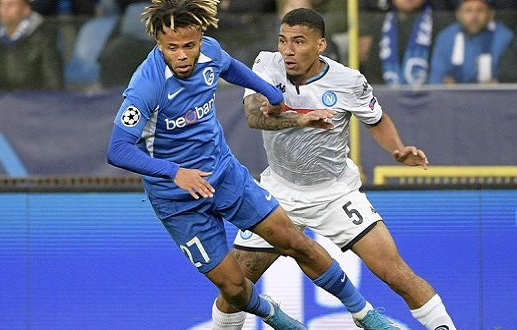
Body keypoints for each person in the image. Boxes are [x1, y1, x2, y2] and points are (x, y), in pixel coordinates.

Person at [106, 1, 395, 329]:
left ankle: (364, 314)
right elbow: (118, 150)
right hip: (178, 201)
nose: (183, 55)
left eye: (190, 45)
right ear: (158, 43)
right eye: (172, 48)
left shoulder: (210, 52)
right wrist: (175, 172)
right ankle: (276, 317)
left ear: (201, 37)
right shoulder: (147, 85)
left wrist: (271, 94)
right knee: (233, 287)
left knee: (295, 241)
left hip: (225, 175)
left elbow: (231, 68)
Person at [212, 8, 456, 330]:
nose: (288, 50)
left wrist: (397, 150)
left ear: (321, 45)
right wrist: (301, 117)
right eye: (283, 40)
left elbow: (377, 120)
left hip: (334, 193)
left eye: (299, 42)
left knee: (394, 273)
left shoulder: (348, 81)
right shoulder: (267, 65)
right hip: (280, 193)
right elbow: (254, 117)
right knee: (236, 284)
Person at [0, 0, 63, 90]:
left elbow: (54, 85)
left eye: (11, 5)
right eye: (0, 5)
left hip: (35, 101)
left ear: (26, 10)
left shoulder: (43, 42)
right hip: (1, 102)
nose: (4, 9)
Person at [429, 0, 513, 84]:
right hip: (454, 96)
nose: (474, 17)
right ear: (458, 14)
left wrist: (499, 83)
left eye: (480, 11)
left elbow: (511, 78)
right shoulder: (446, 37)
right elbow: (437, 79)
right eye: (468, 11)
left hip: (495, 95)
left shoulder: (505, 37)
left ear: (491, 14)